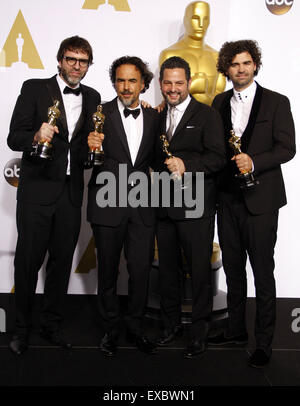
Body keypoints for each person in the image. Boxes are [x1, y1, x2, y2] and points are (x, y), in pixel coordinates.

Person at [7, 35, 101, 355]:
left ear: (89, 65)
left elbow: (89, 141)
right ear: (59, 60)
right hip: (37, 192)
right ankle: (21, 329)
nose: (77, 66)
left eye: (83, 61)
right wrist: (36, 134)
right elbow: (13, 137)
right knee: (28, 263)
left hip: (71, 194)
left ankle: (52, 324)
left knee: (61, 265)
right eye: (71, 59)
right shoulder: (35, 88)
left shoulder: (93, 96)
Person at [210, 40, 296, 368]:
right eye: (234, 64)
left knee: (262, 272)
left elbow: (287, 148)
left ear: (255, 65)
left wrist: (254, 161)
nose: (241, 69)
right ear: (227, 69)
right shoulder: (218, 102)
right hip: (227, 200)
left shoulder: (276, 102)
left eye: (246, 63)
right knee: (232, 269)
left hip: (261, 201)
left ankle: (264, 341)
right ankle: (235, 329)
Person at [87, 56, 159, 357]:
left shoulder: (155, 117)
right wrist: (88, 145)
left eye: (132, 80)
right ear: (114, 82)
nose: (126, 87)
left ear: (143, 83)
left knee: (140, 270)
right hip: (107, 201)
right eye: (120, 80)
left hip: (142, 203)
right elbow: (80, 153)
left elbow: (158, 158)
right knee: (106, 270)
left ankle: (135, 327)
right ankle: (110, 329)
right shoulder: (97, 113)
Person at [155, 56, 226, 359]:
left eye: (179, 83)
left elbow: (218, 158)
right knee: (168, 270)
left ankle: (199, 332)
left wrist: (188, 164)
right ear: (161, 84)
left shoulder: (207, 115)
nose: (173, 88)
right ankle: (170, 325)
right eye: (168, 83)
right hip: (162, 204)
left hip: (196, 204)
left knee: (199, 271)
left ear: (189, 82)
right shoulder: (157, 115)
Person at [159, 1, 225, 106]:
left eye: (205, 19)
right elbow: (168, 94)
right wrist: (194, 86)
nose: (201, 24)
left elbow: (220, 98)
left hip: (210, 119)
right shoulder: (169, 54)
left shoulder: (217, 56)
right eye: (195, 18)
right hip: (178, 120)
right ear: (186, 20)